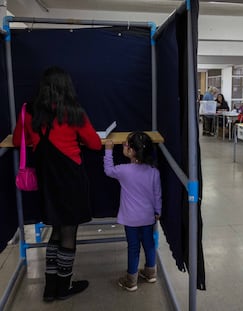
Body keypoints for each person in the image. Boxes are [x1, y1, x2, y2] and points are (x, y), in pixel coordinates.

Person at [12, 66, 102, 301]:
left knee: (55, 230)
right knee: (69, 233)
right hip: (71, 179)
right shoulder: (73, 112)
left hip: (47, 181)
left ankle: (49, 289)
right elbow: (94, 144)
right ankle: (64, 287)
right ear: (66, 87)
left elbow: (16, 140)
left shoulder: (28, 111)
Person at [104, 131, 162, 292]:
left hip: (130, 219)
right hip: (148, 217)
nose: (124, 145)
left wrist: (108, 150)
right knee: (149, 245)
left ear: (132, 152)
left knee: (133, 248)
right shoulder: (154, 172)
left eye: (127, 144)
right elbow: (157, 194)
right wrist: (158, 211)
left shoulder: (123, 170)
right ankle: (151, 274)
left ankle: (131, 280)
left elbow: (108, 170)